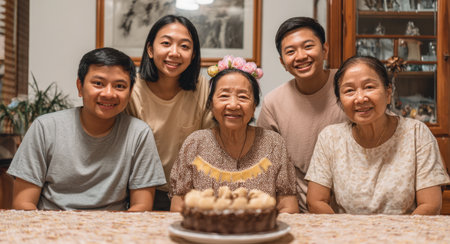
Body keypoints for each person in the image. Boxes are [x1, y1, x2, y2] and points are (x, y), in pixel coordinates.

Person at [7, 47, 166, 211]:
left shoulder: (138, 134)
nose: (108, 93)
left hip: (114, 230)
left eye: (119, 86)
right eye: (98, 83)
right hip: (52, 227)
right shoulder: (45, 128)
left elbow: (141, 206)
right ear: (80, 86)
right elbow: (23, 204)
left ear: (130, 91)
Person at [305, 55, 450, 215]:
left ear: (388, 93)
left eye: (369, 87)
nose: (360, 98)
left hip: (405, 236)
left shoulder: (417, 134)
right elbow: (316, 201)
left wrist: (399, 237)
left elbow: (430, 205)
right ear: (340, 101)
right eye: (349, 91)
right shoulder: (330, 138)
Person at [169, 56, 299, 213]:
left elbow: (288, 206)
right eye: (224, 95)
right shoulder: (195, 143)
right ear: (210, 104)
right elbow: (179, 204)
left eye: (243, 97)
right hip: (205, 234)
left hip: (260, 233)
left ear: (254, 105)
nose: (233, 104)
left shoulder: (273, 144)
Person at [256, 17, 347, 212]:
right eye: (290, 51)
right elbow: (265, 165)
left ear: (325, 49)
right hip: (303, 211)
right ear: (283, 62)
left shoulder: (348, 86)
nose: (300, 56)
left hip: (355, 209)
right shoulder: (273, 103)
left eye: (308, 46)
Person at [126, 15, 213, 211]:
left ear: (193, 54)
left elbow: (211, 146)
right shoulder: (131, 91)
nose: (174, 53)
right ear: (150, 49)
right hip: (140, 191)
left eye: (184, 46)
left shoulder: (203, 88)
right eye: (166, 43)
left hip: (191, 192)